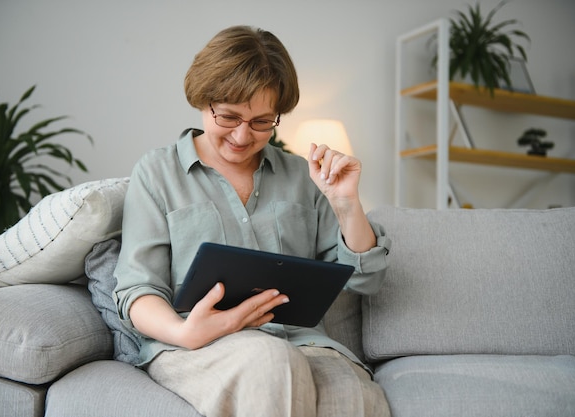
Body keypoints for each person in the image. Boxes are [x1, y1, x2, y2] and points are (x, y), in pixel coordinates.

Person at [113, 25, 392, 417]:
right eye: (228, 117)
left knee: (353, 397)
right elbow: (137, 288)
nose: (243, 137)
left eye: (262, 121)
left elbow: (367, 279)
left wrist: (346, 205)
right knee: (271, 363)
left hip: (304, 342)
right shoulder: (158, 173)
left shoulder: (302, 177)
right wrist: (184, 332)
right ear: (202, 100)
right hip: (200, 345)